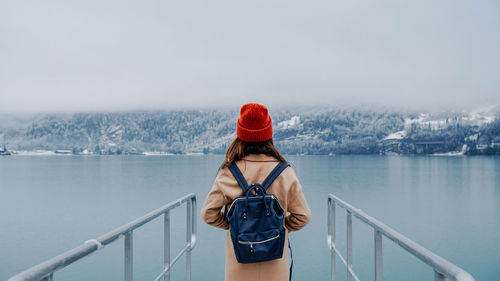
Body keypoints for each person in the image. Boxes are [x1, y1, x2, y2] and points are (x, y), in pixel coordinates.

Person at [201, 103, 311, 281]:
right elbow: (302, 216)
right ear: (269, 135)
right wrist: (278, 228)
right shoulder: (285, 172)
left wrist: (236, 227)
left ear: (240, 136)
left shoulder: (228, 173)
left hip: (239, 262)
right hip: (275, 263)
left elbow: (208, 214)